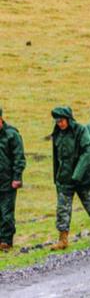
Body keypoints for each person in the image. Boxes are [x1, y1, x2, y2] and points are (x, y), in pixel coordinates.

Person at [50, 106, 90, 250]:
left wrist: (77, 175)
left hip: (84, 177)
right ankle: (63, 239)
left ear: (68, 119)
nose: (60, 124)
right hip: (64, 178)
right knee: (62, 209)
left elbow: (87, 153)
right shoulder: (57, 134)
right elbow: (56, 158)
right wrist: (56, 177)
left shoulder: (81, 131)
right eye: (57, 121)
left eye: (62, 121)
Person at [0, 106, 26, 252]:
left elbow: (19, 158)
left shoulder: (11, 135)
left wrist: (17, 178)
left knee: (6, 212)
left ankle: (6, 240)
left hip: (8, 181)